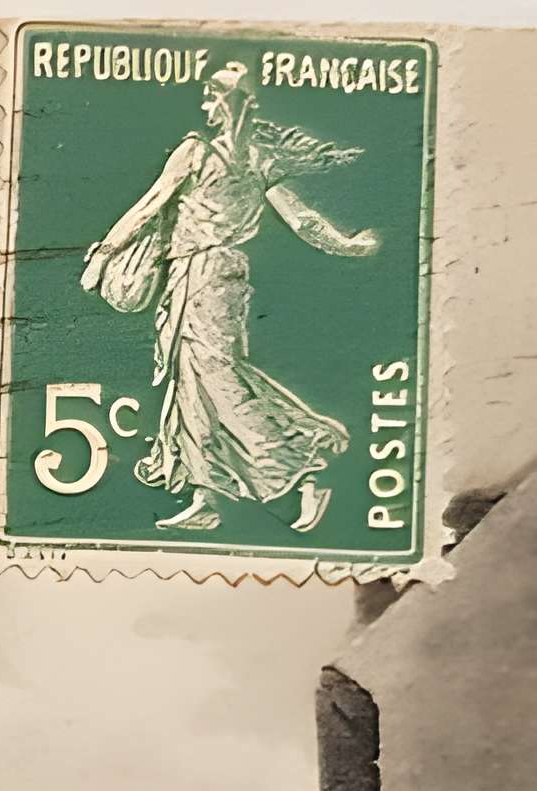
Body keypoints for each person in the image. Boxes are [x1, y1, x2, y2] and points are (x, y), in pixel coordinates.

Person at [77, 61, 380, 536]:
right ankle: (205, 495)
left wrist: (103, 255)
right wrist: (345, 243)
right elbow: (302, 221)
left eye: (209, 97)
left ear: (221, 104)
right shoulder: (259, 159)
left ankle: (300, 469)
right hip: (210, 273)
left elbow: (149, 206)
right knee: (190, 381)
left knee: (218, 378)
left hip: (204, 274)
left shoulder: (196, 152)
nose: (204, 105)